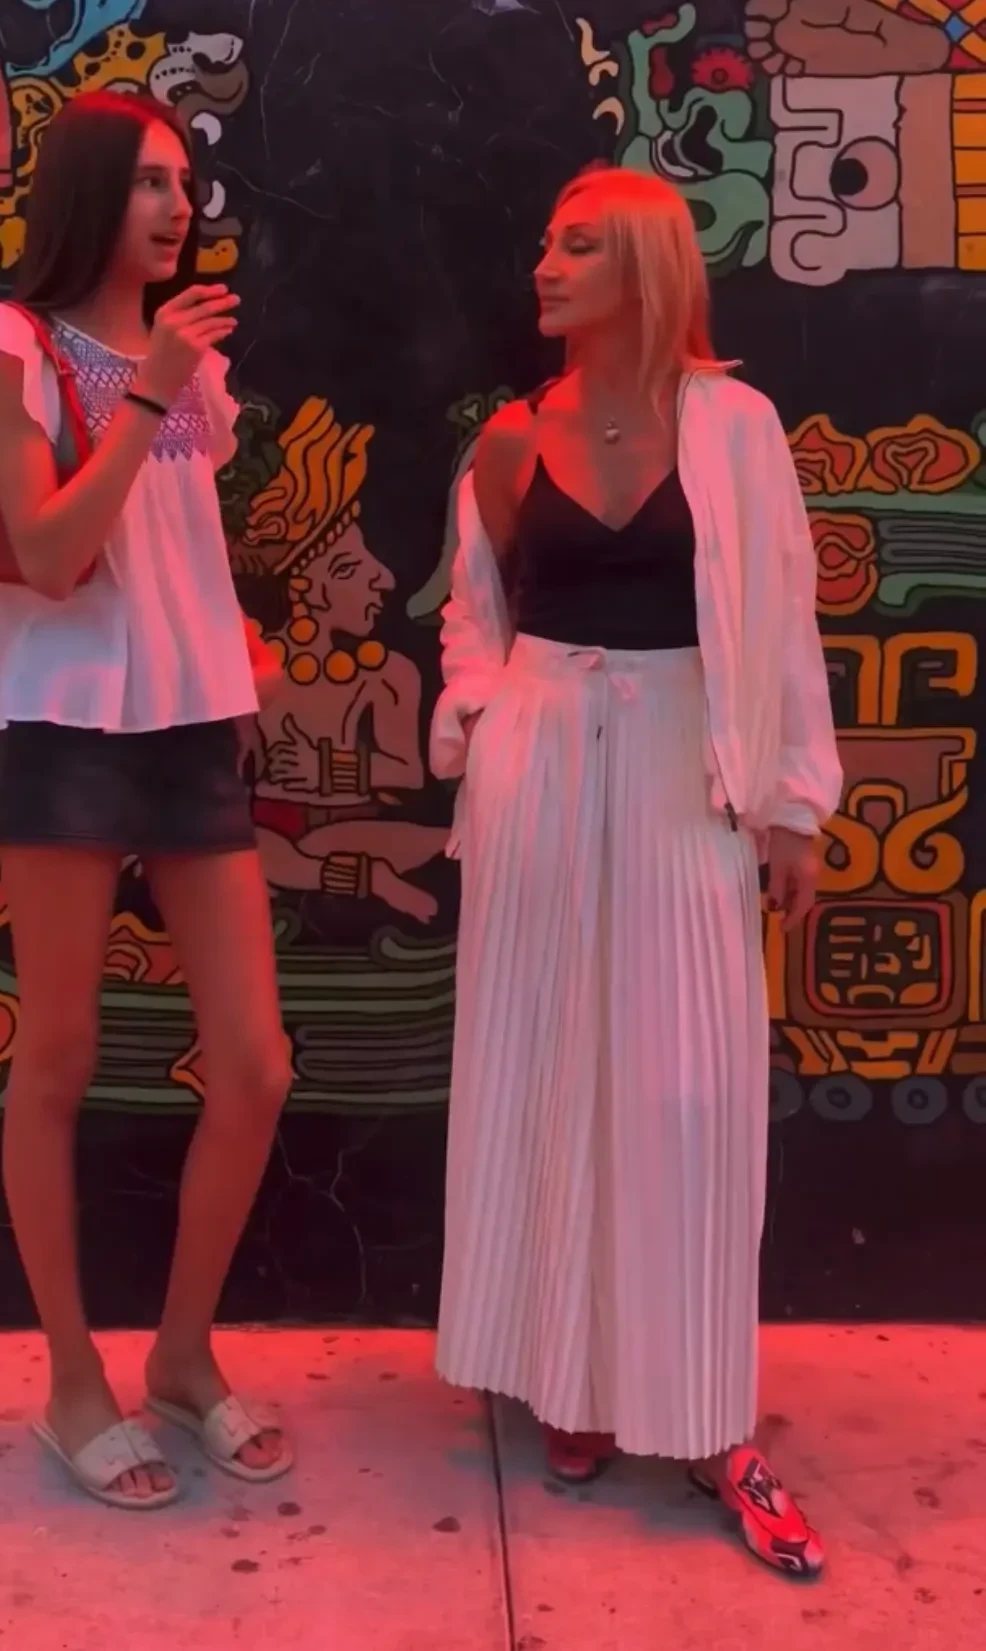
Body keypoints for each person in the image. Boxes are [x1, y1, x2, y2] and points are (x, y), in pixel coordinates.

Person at [430, 165, 841, 1578]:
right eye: (547, 243)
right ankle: (569, 1378)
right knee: (543, 1068)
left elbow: (782, 612)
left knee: (686, 1090)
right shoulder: (508, 437)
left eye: (581, 246)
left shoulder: (734, 426)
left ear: (649, 269)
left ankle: (712, 1417)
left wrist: (793, 804)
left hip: (684, 761)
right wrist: (484, 715)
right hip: (539, 763)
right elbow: (474, 608)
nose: (546, 266)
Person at [0, 89, 293, 1509]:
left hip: (192, 724)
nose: (177, 206)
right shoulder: (5, 342)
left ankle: (184, 1354)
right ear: (91, 191)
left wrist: (234, 653)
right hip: (66, 724)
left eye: (184, 184)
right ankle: (72, 1380)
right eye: (151, 181)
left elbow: (174, 543)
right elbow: (45, 553)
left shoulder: (191, 365)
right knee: (57, 1055)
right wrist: (147, 386)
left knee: (256, 1062)